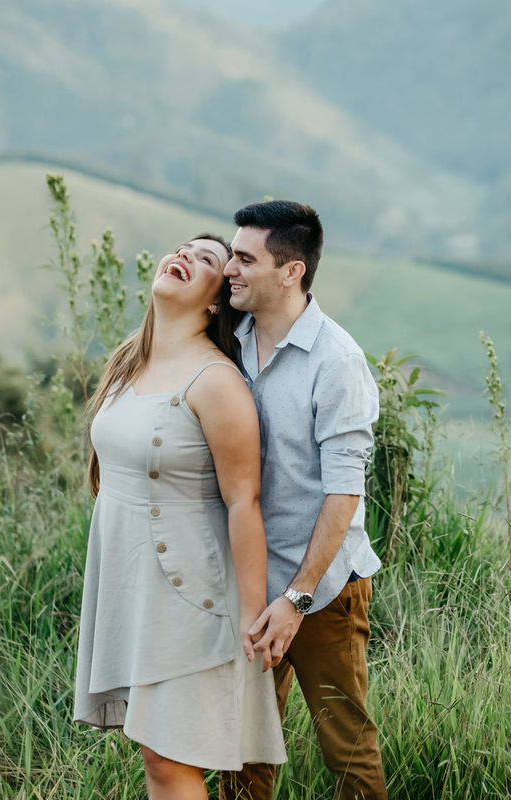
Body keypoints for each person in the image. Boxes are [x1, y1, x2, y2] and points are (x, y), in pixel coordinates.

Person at [73, 233, 286, 799]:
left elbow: (244, 501)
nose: (186, 256)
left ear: (217, 300)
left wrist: (251, 612)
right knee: (155, 755)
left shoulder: (216, 381)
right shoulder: (129, 361)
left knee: (169, 759)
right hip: (133, 586)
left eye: (207, 258)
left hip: (191, 591)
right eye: (183, 249)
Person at [218, 201, 386, 800]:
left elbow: (344, 493)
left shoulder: (337, 362)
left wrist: (297, 598)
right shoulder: (229, 341)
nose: (229, 269)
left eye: (245, 259)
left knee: (347, 749)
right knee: (243, 751)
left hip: (323, 590)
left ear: (291, 272)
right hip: (248, 583)